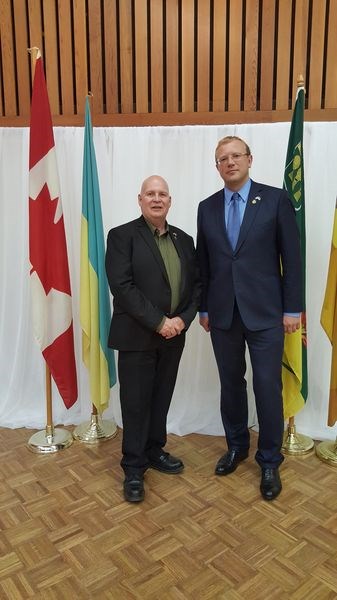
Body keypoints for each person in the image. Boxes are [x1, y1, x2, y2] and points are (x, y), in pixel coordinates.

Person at [196, 135, 302, 501]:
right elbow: (204, 264)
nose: (230, 162)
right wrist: (204, 307)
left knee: (267, 386)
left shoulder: (275, 200)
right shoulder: (206, 208)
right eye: (222, 158)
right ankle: (237, 446)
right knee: (231, 383)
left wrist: (292, 309)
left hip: (267, 313)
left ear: (249, 159)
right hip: (223, 314)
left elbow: (293, 258)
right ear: (217, 166)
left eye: (235, 155)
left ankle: (270, 459)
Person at [105, 175, 200, 503]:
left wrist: (181, 321)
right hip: (137, 335)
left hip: (174, 336)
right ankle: (133, 467)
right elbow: (122, 286)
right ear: (140, 199)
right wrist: (159, 321)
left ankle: (154, 450)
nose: (156, 199)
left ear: (170, 201)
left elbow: (197, 287)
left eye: (162, 194)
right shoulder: (121, 236)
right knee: (135, 403)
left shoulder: (185, 240)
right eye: (150, 194)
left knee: (161, 397)